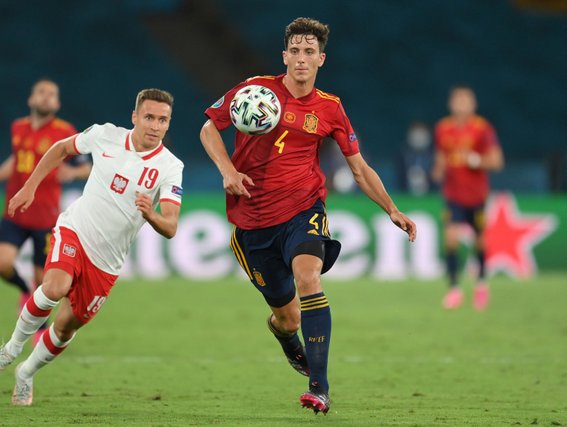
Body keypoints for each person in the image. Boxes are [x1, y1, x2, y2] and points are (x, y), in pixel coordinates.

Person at [200, 17, 417, 414]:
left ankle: (319, 387)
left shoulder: (331, 108)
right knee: (287, 318)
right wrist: (228, 171)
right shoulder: (254, 90)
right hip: (252, 223)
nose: (301, 59)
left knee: (308, 277)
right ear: (285, 56)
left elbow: (359, 168)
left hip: (303, 209)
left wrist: (392, 209)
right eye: (295, 52)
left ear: (321, 59)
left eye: (309, 52)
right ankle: (286, 339)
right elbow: (208, 129)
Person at [0, 89, 184, 406]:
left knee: (64, 327)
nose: (155, 126)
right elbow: (61, 149)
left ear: (168, 124)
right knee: (55, 286)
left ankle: (26, 373)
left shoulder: (170, 167)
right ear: (134, 117)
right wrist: (30, 185)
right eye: (149, 117)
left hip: (107, 262)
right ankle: (12, 348)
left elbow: (170, 225)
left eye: (162, 120)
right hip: (75, 230)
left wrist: (151, 213)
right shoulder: (105, 135)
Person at [0, 78, 92, 344]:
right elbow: (16, 161)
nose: (46, 97)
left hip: (46, 220)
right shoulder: (18, 127)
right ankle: (23, 289)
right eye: (42, 92)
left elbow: (88, 167)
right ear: (32, 99)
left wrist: (72, 171)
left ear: (57, 103)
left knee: (45, 283)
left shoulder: (65, 130)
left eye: (52, 94)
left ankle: (39, 327)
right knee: (1, 263)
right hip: (15, 213)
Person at [431, 85, 504, 311]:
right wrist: (438, 170)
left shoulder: (483, 129)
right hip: (453, 194)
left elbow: (497, 162)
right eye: (457, 100)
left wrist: (474, 160)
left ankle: (481, 284)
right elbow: (441, 157)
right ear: (451, 104)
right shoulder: (443, 128)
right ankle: (454, 289)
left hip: (477, 196)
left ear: (473, 104)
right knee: (451, 237)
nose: (461, 104)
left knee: (480, 240)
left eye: (465, 100)